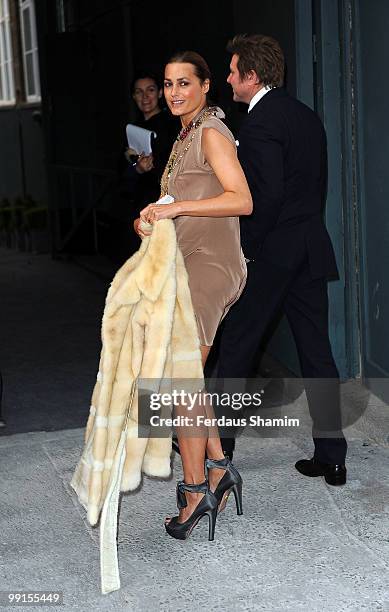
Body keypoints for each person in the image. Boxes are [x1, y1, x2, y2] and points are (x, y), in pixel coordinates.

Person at [217, 34, 347, 485]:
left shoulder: (257, 124)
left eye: (234, 72)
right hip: (309, 247)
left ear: (252, 76)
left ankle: (220, 457)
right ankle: (332, 457)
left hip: (272, 254)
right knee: (317, 352)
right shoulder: (305, 116)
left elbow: (265, 198)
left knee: (237, 346)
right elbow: (309, 187)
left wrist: (245, 247)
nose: (229, 79)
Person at [134, 51, 252, 539]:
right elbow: (176, 204)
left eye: (185, 83)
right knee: (183, 380)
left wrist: (176, 206)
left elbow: (241, 198)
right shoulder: (184, 135)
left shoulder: (210, 132)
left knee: (178, 384)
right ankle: (220, 468)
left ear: (206, 86)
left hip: (211, 266)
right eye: (167, 84)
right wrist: (151, 218)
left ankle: (196, 488)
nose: (174, 92)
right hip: (187, 263)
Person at [115, 72, 179, 261]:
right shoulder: (131, 130)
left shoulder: (173, 126)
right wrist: (136, 167)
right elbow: (121, 178)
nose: (145, 97)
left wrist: (153, 166)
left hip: (166, 209)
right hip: (139, 211)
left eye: (150, 90)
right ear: (134, 96)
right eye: (139, 92)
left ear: (160, 93)